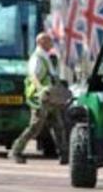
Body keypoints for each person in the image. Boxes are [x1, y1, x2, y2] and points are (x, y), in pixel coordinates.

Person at [8, 32, 70, 164]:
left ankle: (64, 154)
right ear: (41, 42)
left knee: (58, 125)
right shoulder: (37, 58)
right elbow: (33, 76)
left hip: (50, 97)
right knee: (35, 127)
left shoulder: (45, 57)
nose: (52, 43)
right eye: (49, 41)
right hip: (41, 98)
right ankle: (16, 151)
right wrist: (41, 89)